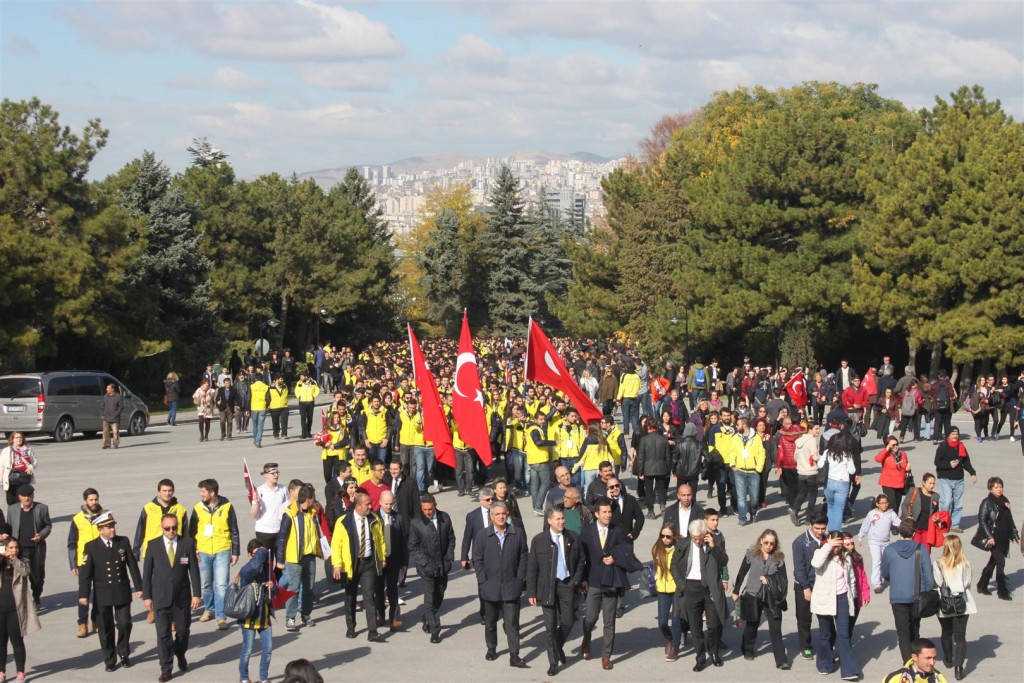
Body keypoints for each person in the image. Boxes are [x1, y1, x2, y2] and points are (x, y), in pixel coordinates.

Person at [579, 497, 641, 670]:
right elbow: (582, 557)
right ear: (596, 514)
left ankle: (606, 655)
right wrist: (583, 579)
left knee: (609, 621)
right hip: (593, 581)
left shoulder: (618, 531)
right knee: (590, 618)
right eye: (604, 512)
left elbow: (627, 551)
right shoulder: (587, 532)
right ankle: (586, 638)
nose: (608, 515)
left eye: (609, 512)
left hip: (611, 581)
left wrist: (615, 557)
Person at [77, 513, 143, 672]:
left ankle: (124, 653)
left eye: (113, 526)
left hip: (121, 590)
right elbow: (85, 573)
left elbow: (132, 565)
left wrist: (139, 587)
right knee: (105, 627)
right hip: (103, 593)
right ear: (100, 529)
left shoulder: (123, 541)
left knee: (124, 623)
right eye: (108, 527)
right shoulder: (91, 547)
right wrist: (83, 594)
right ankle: (109, 658)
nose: (112, 529)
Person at [141, 513, 201, 682]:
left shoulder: (187, 543)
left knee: (183, 631)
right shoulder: (153, 545)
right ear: (162, 528)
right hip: (161, 597)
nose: (171, 531)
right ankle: (166, 668)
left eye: (174, 527)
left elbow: (194, 570)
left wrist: (197, 594)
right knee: (163, 635)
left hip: (181, 597)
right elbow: (147, 573)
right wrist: (147, 596)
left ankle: (180, 653)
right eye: (167, 528)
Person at [527, 507, 584, 676]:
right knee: (550, 627)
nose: (561, 521)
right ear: (549, 521)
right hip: (547, 587)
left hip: (567, 584)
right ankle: (553, 662)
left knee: (568, 621)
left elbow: (581, 561)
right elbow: (532, 567)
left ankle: (557, 646)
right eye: (558, 519)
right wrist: (531, 592)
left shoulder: (573, 537)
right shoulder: (539, 540)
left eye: (562, 518)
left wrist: (575, 581)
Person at [473, 501, 528, 668]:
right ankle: (492, 648)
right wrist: (483, 580)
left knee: (512, 623)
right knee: (490, 622)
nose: (501, 517)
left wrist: (519, 579)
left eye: (503, 513)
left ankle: (514, 654)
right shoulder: (482, 535)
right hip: (490, 587)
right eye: (497, 514)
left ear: (507, 514)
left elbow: (524, 556)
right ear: (491, 517)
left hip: (511, 586)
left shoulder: (517, 533)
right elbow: (477, 559)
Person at [671, 518, 728, 672]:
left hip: (710, 588)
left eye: (700, 538)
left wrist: (714, 547)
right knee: (695, 626)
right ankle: (700, 658)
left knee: (714, 624)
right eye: (694, 538)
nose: (697, 541)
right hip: (691, 587)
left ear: (705, 534)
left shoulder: (715, 541)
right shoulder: (683, 544)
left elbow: (724, 561)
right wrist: (682, 585)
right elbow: (674, 565)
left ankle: (714, 652)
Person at [133, 479, 189, 623]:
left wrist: (188, 549)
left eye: (170, 490)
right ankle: (153, 610)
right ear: (158, 492)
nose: (167, 493)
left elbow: (186, 532)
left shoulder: (180, 509)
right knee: (154, 583)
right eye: (164, 490)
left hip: (174, 551)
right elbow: (140, 530)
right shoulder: (148, 508)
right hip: (153, 552)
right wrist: (136, 550)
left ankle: (173, 616)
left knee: (173, 582)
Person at [331, 491, 384, 641]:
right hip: (351, 565)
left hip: (368, 563)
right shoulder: (343, 521)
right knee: (350, 597)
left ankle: (372, 631)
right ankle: (351, 627)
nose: (370, 507)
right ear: (358, 506)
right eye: (367, 504)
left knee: (369, 597)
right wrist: (337, 565)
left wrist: (382, 557)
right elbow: (336, 544)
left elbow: (380, 540)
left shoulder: (374, 519)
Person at [732, 528, 789, 669]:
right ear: (761, 541)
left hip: (771, 598)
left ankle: (781, 660)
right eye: (766, 542)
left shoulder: (779, 558)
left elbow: (783, 579)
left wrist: (769, 579)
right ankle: (747, 649)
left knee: (776, 628)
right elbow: (742, 572)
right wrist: (736, 590)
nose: (769, 546)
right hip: (753, 595)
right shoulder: (752, 554)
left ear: (775, 544)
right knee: (752, 625)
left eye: (772, 543)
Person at [188, 479, 240, 630]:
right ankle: (209, 608)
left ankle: (221, 616)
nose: (201, 494)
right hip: (203, 550)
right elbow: (191, 531)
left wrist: (235, 551)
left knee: (221, 585)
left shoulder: (227, 506)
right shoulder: (198, 508)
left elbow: (234, 529)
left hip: (222, 549)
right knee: (206, 584)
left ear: (212, 493)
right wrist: (194, 549)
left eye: (203, 491)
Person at [882, 518, 936, 663]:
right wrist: (928, 590)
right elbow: (928, 576)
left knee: (903, 632)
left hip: (897, 596)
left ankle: (907, 663)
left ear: (900, 532)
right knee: (915, 629)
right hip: (917, 596)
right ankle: (917, 659)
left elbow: (885, 573)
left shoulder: (889, 550)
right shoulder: (921, 549)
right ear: (914, 533)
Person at [810, 531, 861, 680]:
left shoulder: (846, 556)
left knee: (843, 634)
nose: (836, 548)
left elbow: (851, 578)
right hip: (825, 598)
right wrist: (828, 546)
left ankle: (849, 670)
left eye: (839, 544)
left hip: (842, 598)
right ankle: (824, 664)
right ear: (829, 540)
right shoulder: (820, 552)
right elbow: (816, 563)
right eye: (834, 544)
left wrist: (854, 597)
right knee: (825, 634)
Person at [406, 493, 455, 643]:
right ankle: (435, 630)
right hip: (426, 568)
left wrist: (449, 558)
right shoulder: (416, 522)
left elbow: (451, 539)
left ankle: (428, 616)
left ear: (435, 506)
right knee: (429, 599)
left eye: (430, 509)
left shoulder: (444, 518)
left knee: (439, 594)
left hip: (442, 566)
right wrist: (425, 564)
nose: (427, 512)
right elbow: (413, 546)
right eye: (425, 509)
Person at [932, 535, 976, 680]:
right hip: (962, 603)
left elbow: (938, 582)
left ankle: (948, 658)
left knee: (946, 632)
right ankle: (959, 667)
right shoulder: (966, 563)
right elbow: (967, 583)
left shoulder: (938, 563)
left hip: (944, 603)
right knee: (960, 636)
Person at [973, 476, 1020, 600]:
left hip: (1003, 538)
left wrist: (1015, 536)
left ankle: (982, 584)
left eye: (1000, 486)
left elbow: (1009, 520)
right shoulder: (987, 502)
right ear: (990, 489)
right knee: (1001, 562)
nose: (999, 489)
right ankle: (1002, 591)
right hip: (993, 538)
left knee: (993, 561)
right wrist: (990, 537)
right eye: (996, 487)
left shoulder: (1005, 501)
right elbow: (982, 520)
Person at [0, 538, 40, 682]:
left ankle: (20, 672)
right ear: (5, 548)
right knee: (1, 643)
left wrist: (13, 560)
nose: (14, 550)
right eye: (11, 547)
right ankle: (1, 671)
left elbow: (25, 572)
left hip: (15, 609)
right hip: (1, 609)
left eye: (16, 547)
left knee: (17, 641)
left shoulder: (23, 561)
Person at [6, 485, 50, 609]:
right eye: (24, 496)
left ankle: (36, 597)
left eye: (29, 496)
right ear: (19, 497)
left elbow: (48, 526)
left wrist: (41, 535)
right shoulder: (12, 509)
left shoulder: (42, 508)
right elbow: (9, 528)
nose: (27, 498)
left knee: (38, 578)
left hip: (36, 549)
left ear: (33, 496)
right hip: (19, 550)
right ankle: (21, 602)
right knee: (18, 577)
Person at [237, 539, 275, 683]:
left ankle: (263, 678)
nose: (260, 557)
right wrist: (262, 552)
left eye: (261, 554)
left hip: (264, 615)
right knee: (247, 650)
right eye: (256, 554)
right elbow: (251, 568)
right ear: (249, 555)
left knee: (268, 649)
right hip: (249, 616)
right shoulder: (246, 570)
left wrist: (272, 587)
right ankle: (244, 678)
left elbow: (274, 593)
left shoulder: (266, 569)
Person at [68, 488, 104, 638]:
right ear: (85, 501)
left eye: (96, 499)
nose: (94, 502)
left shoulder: (105, 515)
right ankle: (82, 623)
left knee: (99, 592)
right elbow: (72, 543)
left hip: (101, 559)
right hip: (84, 561)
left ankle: (96, 620)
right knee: (84, 592)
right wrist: (73, 564)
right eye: (91, 500)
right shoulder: (77, 519)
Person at [792, 513, 828, 661]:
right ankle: (805, 646)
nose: (820, 531)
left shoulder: (828, 540)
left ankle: (826, 645)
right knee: (804, 618)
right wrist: (806, 588)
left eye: (823, 528)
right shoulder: (800, 542)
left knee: (825, 617)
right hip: (805, 585)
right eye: (817, 528)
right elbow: (799, 568)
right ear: (811, 525)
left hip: (823, 584)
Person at [651, 523, 685, 662]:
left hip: (676, 589)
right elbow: (655, 567)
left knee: (676, 620)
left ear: (674, 537)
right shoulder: (656, 548)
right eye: (662, 535)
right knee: (662, 622)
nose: (664, 539)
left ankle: (675, 648)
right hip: (662, 590)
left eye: (668, 536)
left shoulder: (679, 549)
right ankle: (669, 638)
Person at [723, 417, 765, 527]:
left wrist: (758, 469)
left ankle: (753, 512)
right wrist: (733, 464)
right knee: (741, 497)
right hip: (739, 471)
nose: (736, 426)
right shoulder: (735, 437)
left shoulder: (756, 438)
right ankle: (742, 518)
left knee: (754, 497)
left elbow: (761, 454)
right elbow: (732, 452)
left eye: (738, 425)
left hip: (753, 472)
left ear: (744, 425)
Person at [934, 427, 977, 533]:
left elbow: (966, 462)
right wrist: (949, 465)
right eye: (953, 434)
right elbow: (937, 462)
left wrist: (972, 473)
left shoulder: (961, 446)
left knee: (958, 504)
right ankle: (944, 523)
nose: (955, 436)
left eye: (957, 434)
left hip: (959, 479)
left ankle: (955, 525)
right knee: (946, 502)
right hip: (946, 478)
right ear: (948, 435)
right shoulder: (943, 446)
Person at [856, 494, 901, 592]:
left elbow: (899, 523)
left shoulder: (891, 513)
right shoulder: (872, 513)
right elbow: (865, 526)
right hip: (874, 542)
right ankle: (876, 583)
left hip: (886, 542)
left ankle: (885, 576)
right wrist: (860, 537)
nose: (884, 505)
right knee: (877, 561)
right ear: (877, 504)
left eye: (886, 503)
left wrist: (906, 529)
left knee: (886, 561)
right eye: (882, 503)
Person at [374, 491, 405, 631]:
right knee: (379, 590)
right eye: (386, 504)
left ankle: (394, 618)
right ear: (380, 502)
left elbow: (404, 540)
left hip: (394, 559)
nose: (388, 506)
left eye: (391, 503)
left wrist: (404, 562)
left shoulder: (398, 517)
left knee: (393, 590)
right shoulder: (373, 517)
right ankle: (380, 615)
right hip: (379, 560)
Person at [251, 464, 288, 567]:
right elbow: (254, 514)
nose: (276, 475)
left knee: (281, 564)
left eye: (277, 473)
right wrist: (256, 502)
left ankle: (278, 578)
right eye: (273, 473)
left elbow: (287, 508)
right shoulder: (259, 491)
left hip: (280, 531)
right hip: (264, 532)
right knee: (266, 564)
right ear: (266, 475)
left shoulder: (283, 489)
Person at [821, 430, 858, 531]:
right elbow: (852, 470)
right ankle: (836, 531)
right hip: (842, 483)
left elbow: (820, 465)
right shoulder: (847, 455)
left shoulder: (827, 452)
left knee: (830, 507)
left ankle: (830, 530)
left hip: (829, 482)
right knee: (839, 510)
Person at [636, 420, 671, 519]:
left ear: (649, 427)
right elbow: (668, 456)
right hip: (661, 467)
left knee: (649, 490)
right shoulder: (663, 439)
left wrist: (640, 471)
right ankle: (662, 506)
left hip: (648, 468)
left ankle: (651, 511)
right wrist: (668, 470)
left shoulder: (644, 439)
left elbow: (641, 457)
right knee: (661, 489)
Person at [904, 472, 944, 551]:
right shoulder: (914, 491)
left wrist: (937, 519)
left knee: (926, 551)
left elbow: (936, 512)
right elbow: (904, 505)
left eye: (933, 483)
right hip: (915, 528)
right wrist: (908, 516)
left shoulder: (936, 496)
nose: (932, 486)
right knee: (914, 551)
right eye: (930, 483)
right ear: (923, 483)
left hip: (927, 529)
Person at [882, 637, 949, 683]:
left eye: (934, 658)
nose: (932, 662)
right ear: (914, 657)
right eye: (928, 658)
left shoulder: (939, 678)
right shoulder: (895, 679)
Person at [792, 423, 821, 525]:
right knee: (813, 495)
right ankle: (808, 517)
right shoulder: (812, 440)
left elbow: (795, 456)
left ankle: (795, 511)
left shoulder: (799, 440)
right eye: (816, 429)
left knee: (802, 493)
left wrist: (801, 463)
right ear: (810, 429)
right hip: (811, 472)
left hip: (801, 471)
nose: (818, 431)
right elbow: (815, 457)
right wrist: (822, 456)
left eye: (819, 429)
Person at [876, 435, 913, 513]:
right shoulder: (885, 454)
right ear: (888, 445)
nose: (896, 446)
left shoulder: (903, 453)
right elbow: (877, 459)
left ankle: (893, 519)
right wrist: (886, 449)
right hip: (888, 484)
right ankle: (890, 519)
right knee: (892, 505)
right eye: (893, 445)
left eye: (897, 444)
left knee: (897, 505)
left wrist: (908, 469)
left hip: (900, 483)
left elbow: (905, 465)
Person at [0, 433, 36, 507]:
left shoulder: (27, 449)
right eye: (16, 438)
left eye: (20, 437)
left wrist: (30, 467)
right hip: (10, 478)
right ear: (12, 439)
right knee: (10, 500)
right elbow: (1, 466)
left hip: (23, 477)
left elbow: (35, 461)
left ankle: (21, 513)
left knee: (21, 499)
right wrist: (0, 479)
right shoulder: (6, 450)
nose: (19, 439)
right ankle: (12, 513)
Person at [294, 371, 321, 440]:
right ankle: (303, 433)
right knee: (303, 418)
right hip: (302, 402)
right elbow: (296, 390)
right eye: (300, 377)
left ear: (306, 377)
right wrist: (299, 396)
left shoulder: (313, 382)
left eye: (302, 377)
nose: (301, 378)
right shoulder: (299, 383)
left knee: (310, 418)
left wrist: (313, 396)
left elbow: (317, 390)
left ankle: (308, 432)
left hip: (310, 402)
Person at [250, 374, 271, 448]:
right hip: (262, 407)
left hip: (254, 407)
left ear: (255, 379)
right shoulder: (266, 387)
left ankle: (255, 439)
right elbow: (268, 398)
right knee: (261, 425)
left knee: (254, 424)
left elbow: (249, 397)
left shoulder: (251, 386)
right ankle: (258, 441)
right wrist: (266, 405)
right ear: (262, 379)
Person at [191, 379, 215, 443]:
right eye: (205, 383)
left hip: (208, 408)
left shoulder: (212, 390)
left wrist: (209, 395)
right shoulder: (199, 389)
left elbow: (213, 398)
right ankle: (202, 435)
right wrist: (199, 396)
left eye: (207, 383)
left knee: (207, 422)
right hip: (201, 407)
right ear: (202, 384)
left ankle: (206, 435)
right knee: (201, 421)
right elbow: (194, 396)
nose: (206, 384)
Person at [268, 375, 291, 440]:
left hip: (284, 406)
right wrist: (268, 404)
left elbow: (286, 394)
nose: (282, 380)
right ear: (276, 380)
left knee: (284, 421)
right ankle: (276, 434)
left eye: (282, 379)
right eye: (281, 379)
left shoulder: (284, 386)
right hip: (274, 406)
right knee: (275, 422)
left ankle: (284, 434)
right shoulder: (270, 387)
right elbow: (268, 396)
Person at [101, 383, 123, 449]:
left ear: (112, 389)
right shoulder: (105, 396)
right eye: (107, 388)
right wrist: (102, 414)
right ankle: (106, 444)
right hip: (106, 417)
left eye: (108, 388)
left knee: (115, 432)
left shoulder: (118, 396)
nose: (106, 389)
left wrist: (116, 414)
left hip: (115, 417)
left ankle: (116, 444)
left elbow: (121, 407)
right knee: (105, 432)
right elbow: (102, 406)